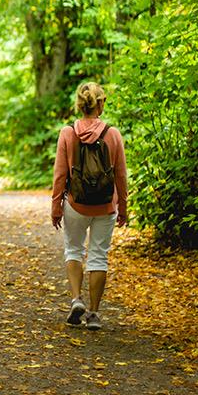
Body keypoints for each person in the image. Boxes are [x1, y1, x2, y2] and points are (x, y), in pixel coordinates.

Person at [51, 82, 128, 331]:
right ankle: (94, 314)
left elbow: (60, 175)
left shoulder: (68, 133)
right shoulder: (113, 134)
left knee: (73, 250)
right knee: (98, 257)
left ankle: (76, 300)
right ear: (101, 104)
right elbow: (121, 176)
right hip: (106, 205)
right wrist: (123, 207)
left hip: (75, 203)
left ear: (80, 104)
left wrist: (56, 207)